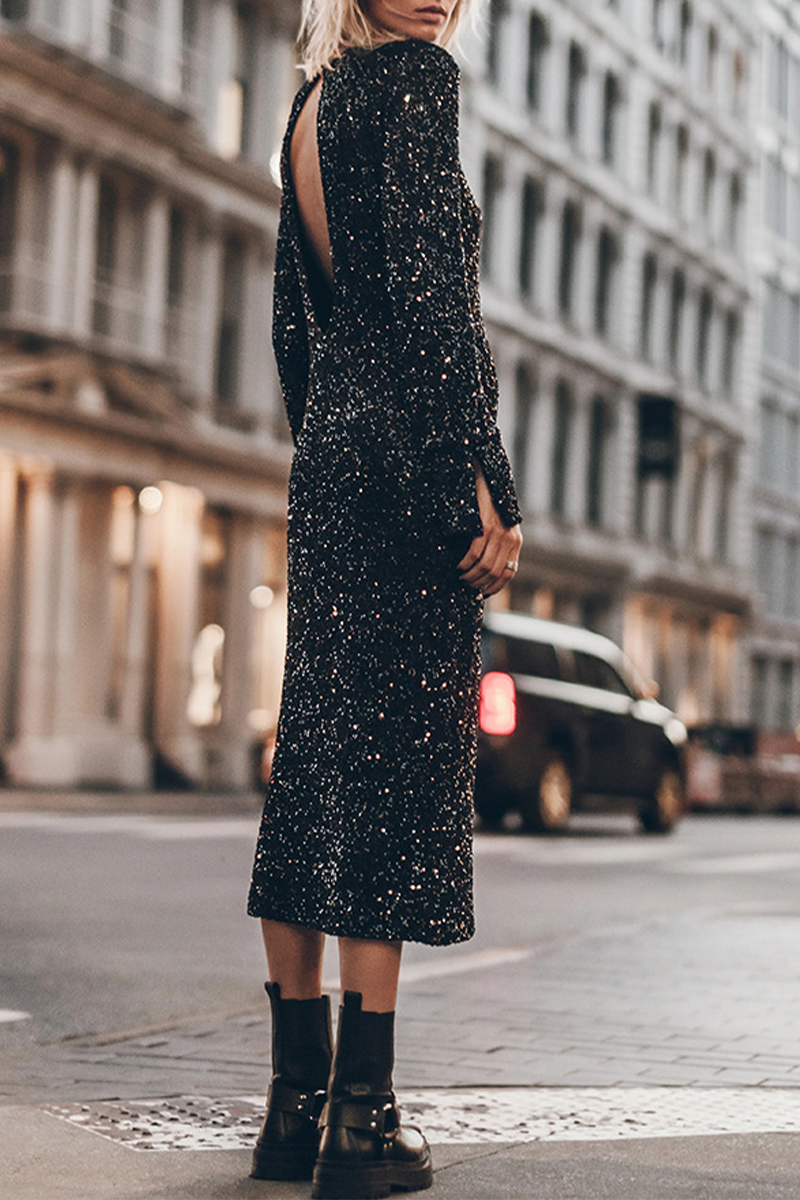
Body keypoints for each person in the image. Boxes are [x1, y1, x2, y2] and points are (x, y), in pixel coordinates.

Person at [245, 0, 523, 1195]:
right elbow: (429, 298)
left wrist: (332, 454)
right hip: (411, 455)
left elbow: (290, 332)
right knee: (397, 772)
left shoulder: (307, 105)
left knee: (313, 764)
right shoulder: (416, 84)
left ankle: (288, 1116)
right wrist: (483, 481)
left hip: (332, 465)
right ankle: (365, 1121)